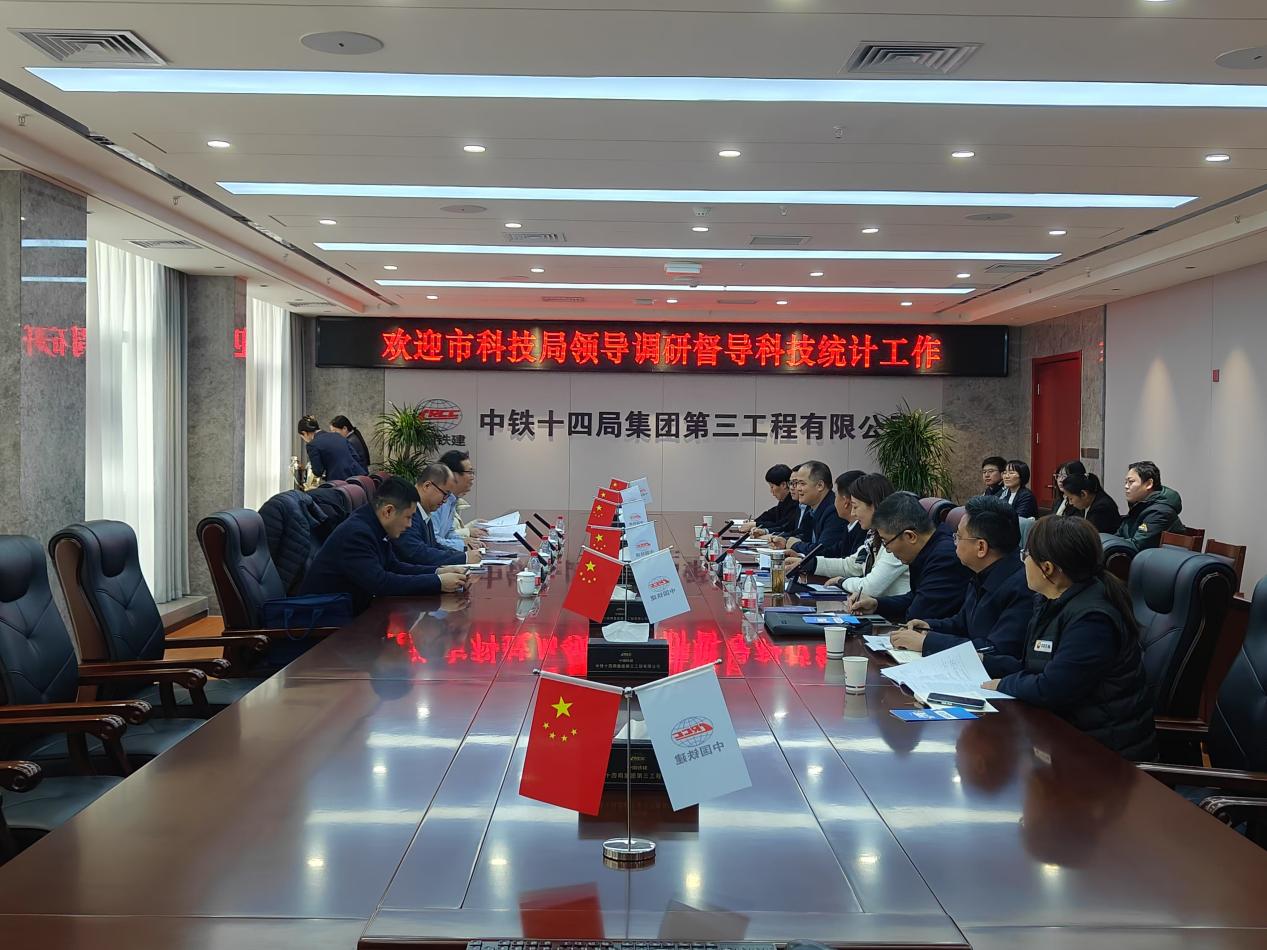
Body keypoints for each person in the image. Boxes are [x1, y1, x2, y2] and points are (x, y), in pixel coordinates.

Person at [983, 517, 1156, 761]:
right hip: (1064, 738)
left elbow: (1051, 688)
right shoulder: (1053, 601)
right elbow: (1035, 668)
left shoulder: (1092, 619)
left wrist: (1002, 685)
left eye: (1026, 555)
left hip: (1103, 758)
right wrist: (983, 662)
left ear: (1047, 568)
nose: (1024, 561)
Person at [891, 495, 1032, 662]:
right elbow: (962, 623)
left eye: (958, 536)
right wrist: (929, 627)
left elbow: (995, 650)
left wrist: (927, 643)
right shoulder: (980, 573)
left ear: (981, 547)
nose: (955, 543)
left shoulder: (1022, 588)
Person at [301, 476, 469, 614]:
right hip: (323, 621)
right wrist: (438, 582)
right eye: (408, 517)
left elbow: (393, 566)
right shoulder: (357, 534)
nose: (410, 525)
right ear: (388, 511)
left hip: (349, 612)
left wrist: (438, 571)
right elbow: (381, 583)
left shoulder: (373, 524)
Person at [847, 492, 972, 623]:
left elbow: (917, 616)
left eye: (886, 542)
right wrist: (876, 604)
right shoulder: (928, 548)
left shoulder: (945, 558)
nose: (887, 550)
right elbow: (915, 597)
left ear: (910, 536)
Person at [786, 473, 910, 600]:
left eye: (855, 506)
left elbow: (870, 587)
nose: (853, 513)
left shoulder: (896, 541)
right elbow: (851, 565)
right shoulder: (874, 535)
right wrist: (808, 564)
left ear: (873, 505)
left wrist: (841, 582)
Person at [395, 464, 479, 567]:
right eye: (445, 494)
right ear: (427, 486)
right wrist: (463, 558)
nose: (445, 501)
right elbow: (418, 553)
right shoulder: (407, 511)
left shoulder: (424, 510)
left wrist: (464, 552)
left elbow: (434, 546)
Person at [782, 461, 848, 558]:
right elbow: (802, 535)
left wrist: (795, 545)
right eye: (796, 483)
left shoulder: (834, 511)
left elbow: (823, 550)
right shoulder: (811, 509)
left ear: (820, 486)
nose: (798, 488)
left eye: (802, 483)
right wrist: (784, 541)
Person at [1115, 460, 1184, 551]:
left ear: (1149, 484)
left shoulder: (1160, 512)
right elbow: (1118, 536)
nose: (1126, 486)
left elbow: (1138, 546)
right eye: (1126, 482)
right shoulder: (1139, 506)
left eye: (1131, 482)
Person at [433, 450, 487, 552]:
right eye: (469, 472)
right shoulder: (437, 501)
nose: (472, 477)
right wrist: (462, 544)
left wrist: (464, 541)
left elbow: (449, 533)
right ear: (453, 475)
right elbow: (433, 541)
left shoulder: (452, 500)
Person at [298, 414, 367, 482]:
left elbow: (318, 472)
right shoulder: (338, 436)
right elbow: (355, 457)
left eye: (302, 437)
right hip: (358, 479)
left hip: (340, 483)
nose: (304, 440)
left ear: (304, 433)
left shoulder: (312, 445)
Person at [746, 464, 801, 537]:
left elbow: (784, 526)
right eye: (791, 484)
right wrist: (754, 522)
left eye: (772, 487)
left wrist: (757, 525)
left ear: (783, 485)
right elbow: (770, 515)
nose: (771, 491)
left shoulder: (796, 503)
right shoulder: (784, 502)